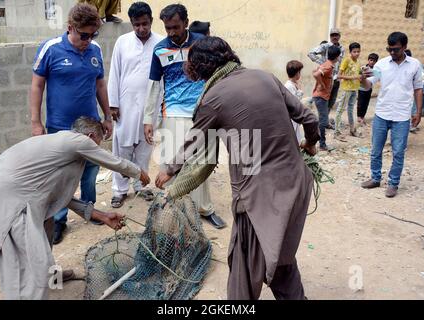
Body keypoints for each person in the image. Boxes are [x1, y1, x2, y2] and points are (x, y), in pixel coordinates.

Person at [155, 36, 320, 300]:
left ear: (201, 69)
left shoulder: (213, 98)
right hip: (297, 182)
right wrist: (310, 144)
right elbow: (309, 118)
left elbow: (193, 142)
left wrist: (169, 169)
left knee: (245, 261)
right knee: (281, 257)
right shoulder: (266, 77)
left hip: (258, 195)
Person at [0, 117, 150, 300]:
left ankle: (52, 276)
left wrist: (100, 215)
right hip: (9, 200)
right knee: (27, 268)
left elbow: (59, 198)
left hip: (6, 189)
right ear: (90, 136)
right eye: (96, 144)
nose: (95, 150)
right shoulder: (76, 141)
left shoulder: (60, 148)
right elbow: (113, 161)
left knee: (47, 225)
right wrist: (138, 172)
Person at [30, 3, 113, 244]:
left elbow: (100, 85)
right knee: (61, 175)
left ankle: (91, 209)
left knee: (90, 170)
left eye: (93, 34)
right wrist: (36, 123)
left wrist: (107, 116)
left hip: (89, 126)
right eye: (83, 35)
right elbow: (37, 85)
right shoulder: (51, 49)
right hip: (59, 126)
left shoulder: (95, 49)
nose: (88, 40)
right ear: (70, 28)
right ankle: (59, 220)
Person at [143, 4, 225, 229]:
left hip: (203, 111)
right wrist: (148, 118)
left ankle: (204, 208)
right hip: (173, 110)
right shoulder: (160, 49)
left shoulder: (202, 43)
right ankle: (176, 209)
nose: (171, 32)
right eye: (167, 28)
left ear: (186, 23)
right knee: (173, 161)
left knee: (202, 162)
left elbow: (218, 73)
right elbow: (153, 85)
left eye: (176, 27)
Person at [108, 2, 164, 208]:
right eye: (136, 25)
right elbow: (114, 73)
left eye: (145, 24)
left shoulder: (161, 43)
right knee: (122, 148)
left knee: (144, 147)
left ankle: (141, 185)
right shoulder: (122, 42)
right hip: (125, 103)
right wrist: (113, 104)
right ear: (131, 24)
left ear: (151, 20)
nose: (141, 28)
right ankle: (119, 190)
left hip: (151, 105)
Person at [361, 32, 423, 198]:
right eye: (389, 49)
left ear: (404, 47)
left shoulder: (414, 65)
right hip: (382, 113)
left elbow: (418, 89)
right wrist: (362, 78)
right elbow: (368, 86)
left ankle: (393, 183)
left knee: (398, 152)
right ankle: (375, 178)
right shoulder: (382, 64)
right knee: (376, 150)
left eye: (395, 49)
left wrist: (417, 111)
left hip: (402, 116)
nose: (392, 52)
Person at [308, 28, 345, 127]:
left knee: (332, 101)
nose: (334, 37)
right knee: (323, 101)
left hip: (336, 79)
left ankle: (325, 121)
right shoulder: (325, 46)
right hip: (326, 78)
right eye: (332, 35)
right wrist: (323, 64)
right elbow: (311, 53)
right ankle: (321, 123)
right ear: (330, 36)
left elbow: (341, 63)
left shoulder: (342, 49)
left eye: (336, 35)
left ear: (339, 36)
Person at [312, 45, 342, 151]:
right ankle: (321, 144)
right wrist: (322, 85)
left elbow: (314, 71)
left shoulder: (326, 64)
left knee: (322, 120)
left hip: (321, 96)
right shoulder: (328, 66)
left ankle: (318, 141)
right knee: (323, 121)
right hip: (321, 96)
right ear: (337, 57)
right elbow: (316, 74)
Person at [334, 42, 362, 140]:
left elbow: (358, 74)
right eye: (354, 52)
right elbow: (339, 75)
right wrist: (354, 77)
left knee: (350, 110)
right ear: (350, 52)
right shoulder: (346, 60)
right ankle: (336, 132)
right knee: (340, 109)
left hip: (355, 89)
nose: (357, 53)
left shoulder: (358, 62)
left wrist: (361, 76)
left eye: (358, 51)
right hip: (346, 89)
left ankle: (352, 130)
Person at [285, 60, 305, 144]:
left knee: (297, 133)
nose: (300, 74)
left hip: (295, 114)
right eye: (299, 72)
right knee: (293, 134)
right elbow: (294, 101)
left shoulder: (294, 84)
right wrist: (300, 90)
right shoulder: (289, 86)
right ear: (296, 73)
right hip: (291, 114)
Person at [357, 53, 379, 125]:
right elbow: (358, 76)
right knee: (360, 103)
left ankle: (362, 117)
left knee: (366, 104)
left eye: (374, 61)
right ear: (368, 60)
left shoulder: (376, 70)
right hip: (361, 88)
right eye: (371, 60)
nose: (372, 62)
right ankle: (359, 117)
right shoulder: (363, 68)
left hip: (369, 89)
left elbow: (379, 78)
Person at [410, 53, 424, 132]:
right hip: (418, 91)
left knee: (422, 108)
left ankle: (415, 124)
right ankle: (412, 125)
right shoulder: (420, 68)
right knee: (415, 107)